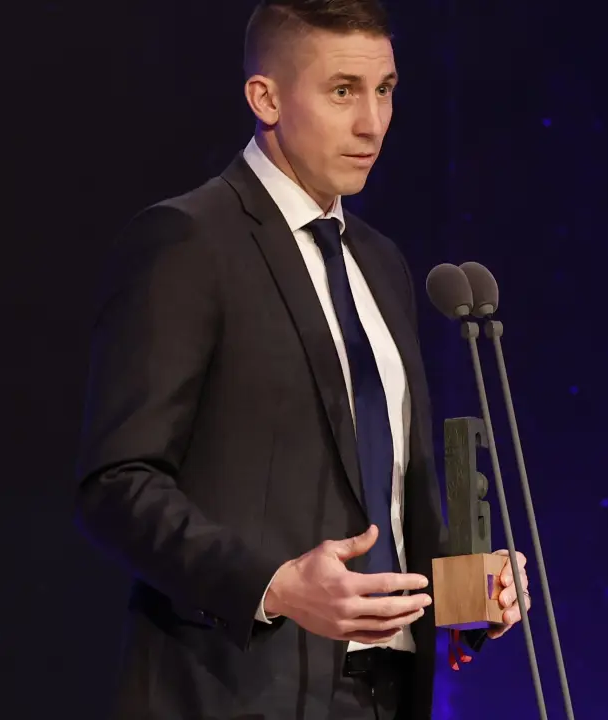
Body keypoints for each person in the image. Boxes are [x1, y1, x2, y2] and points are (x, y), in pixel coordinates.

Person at [73, 1, 531, 717]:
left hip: (384, 696)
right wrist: (275, 586)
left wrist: (468, 590)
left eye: (385, 90)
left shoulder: (381, 263)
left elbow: (385, 492)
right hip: (239, 689)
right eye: (343, 91)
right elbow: (116, 484)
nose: (373, 123)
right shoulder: (189, 242)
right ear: (266, 98)